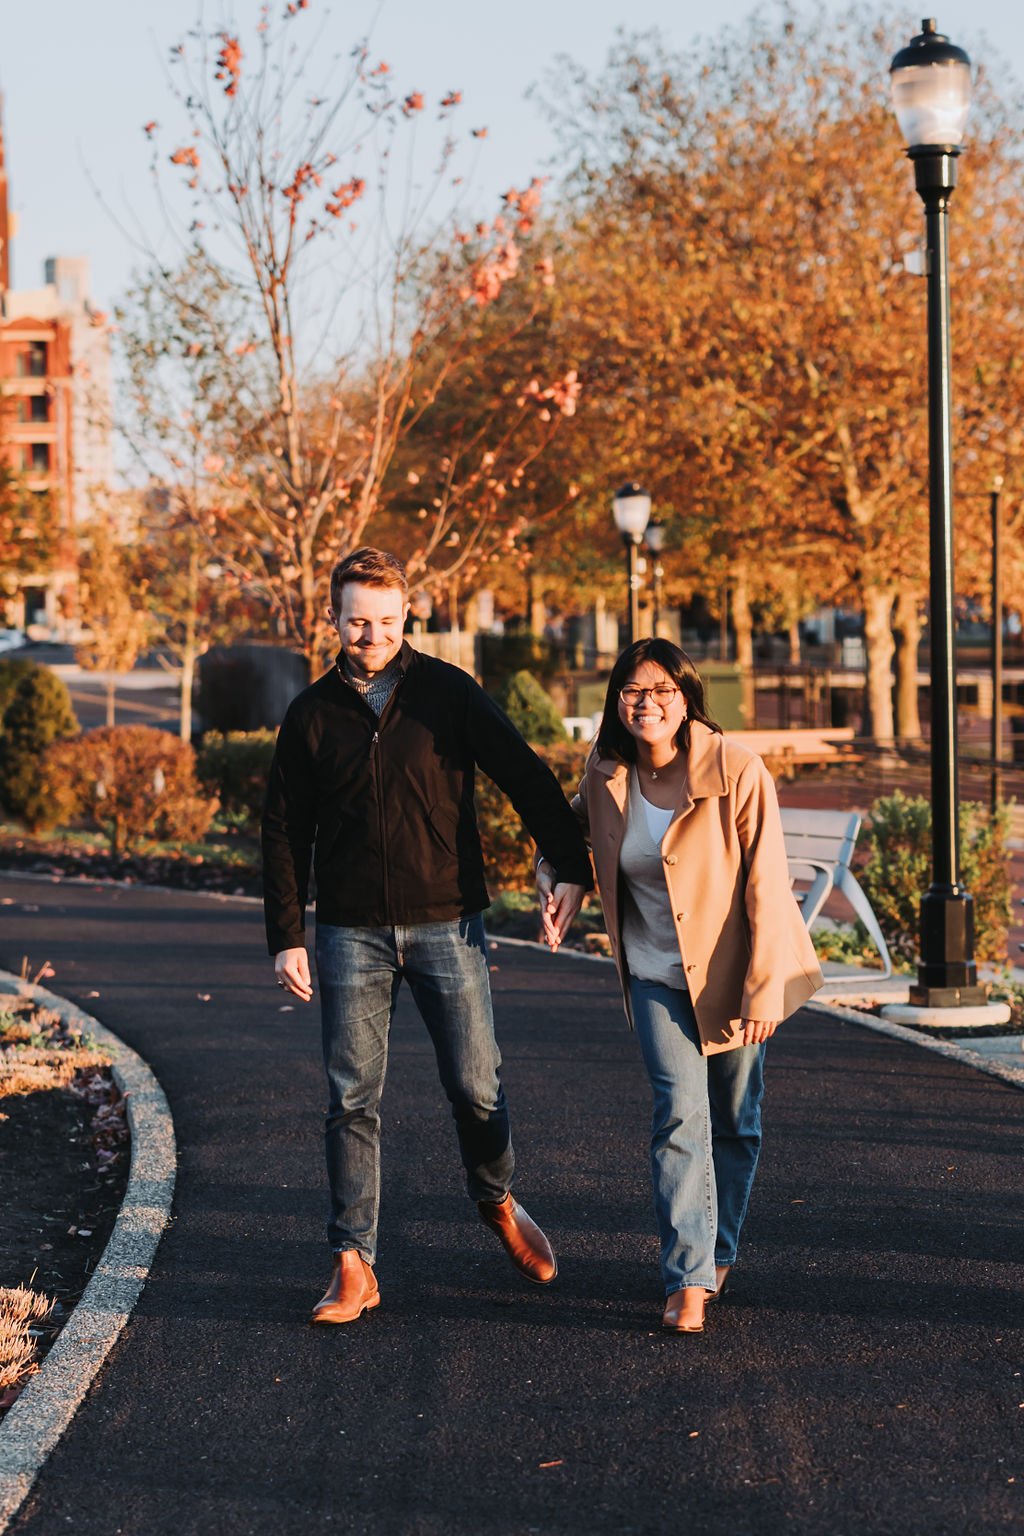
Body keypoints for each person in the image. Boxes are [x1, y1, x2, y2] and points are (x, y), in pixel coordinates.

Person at [262, 547, 592, 1325]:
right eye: (355, 620)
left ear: (405, 616)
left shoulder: (447, 692)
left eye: (383, 620)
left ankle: (498, 1201)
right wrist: (287, 932)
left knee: (477, 1085)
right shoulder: (311, 714)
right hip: (349, 932)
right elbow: (283, 830)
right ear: (335, 618)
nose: (369, 633)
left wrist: (569, 865)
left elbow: (523, 773)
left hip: (449, 923)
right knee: (351, 1098)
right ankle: (353, 1263)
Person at [538, 638, 822, 1334]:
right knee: (679, 1116)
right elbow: (568, 830)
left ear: (687, 698)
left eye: (662, 690)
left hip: (731, 976)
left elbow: (766, 885)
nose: (647, 704)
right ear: (617, 702)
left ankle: (718, 1251)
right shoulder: (606, 772)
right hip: (655, 973)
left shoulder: (737, 771)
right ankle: (688, 1276)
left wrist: (765, 989)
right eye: (633, 691)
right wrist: (561, 874)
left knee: (734, 1122)